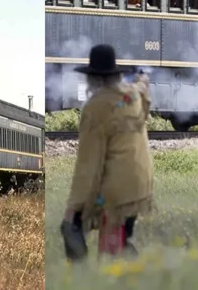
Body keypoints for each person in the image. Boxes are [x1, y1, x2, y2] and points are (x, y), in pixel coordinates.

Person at [60, 44, 154, 261]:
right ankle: (128, 264)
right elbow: (142, 87)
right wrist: (142, 79)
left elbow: (88, 164)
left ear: (93, 78)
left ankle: (80, 275)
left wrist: (74, 207)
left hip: (114, 190)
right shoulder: (131, 96)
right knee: (120, 235)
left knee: (71, 226)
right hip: (140, 185)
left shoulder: (95, 108)